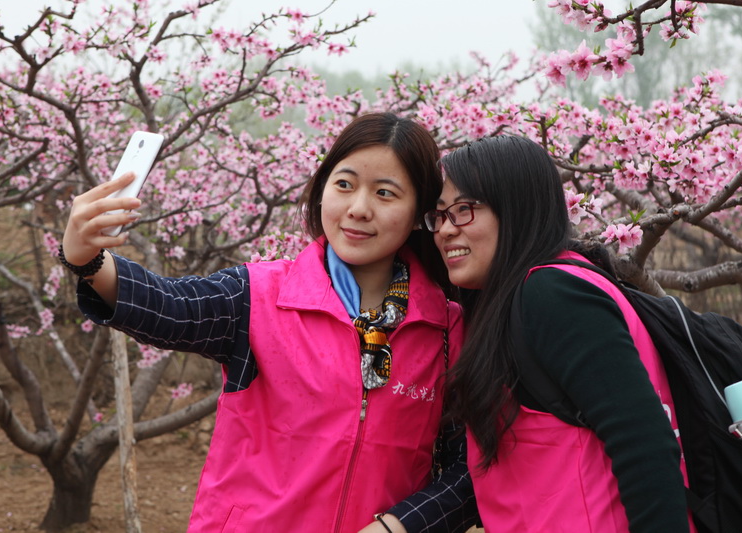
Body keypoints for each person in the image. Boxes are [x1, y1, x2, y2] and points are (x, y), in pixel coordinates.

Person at [60, 112, 477, 532]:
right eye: (344, 185)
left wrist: (398, 527)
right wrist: (88, 260)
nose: (358, 209)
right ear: (321, 191)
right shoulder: (260, 296)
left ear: (419, 213)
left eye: (385, 193)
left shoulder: (447, 331)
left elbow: (469, 473)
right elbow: (169, 307)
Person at [426, 135, 695, 532]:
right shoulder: (511, 298)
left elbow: (645, 446)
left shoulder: (552, 295)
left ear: (516, 207)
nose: (445, 231)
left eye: (464, 209)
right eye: (439, 215)